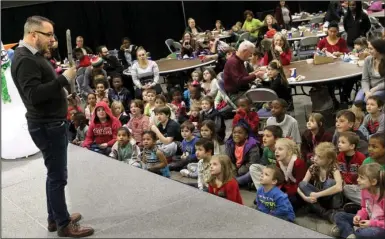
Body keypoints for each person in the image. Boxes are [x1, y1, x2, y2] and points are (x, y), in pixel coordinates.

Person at [11, 16, 94, 237]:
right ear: (33, 34)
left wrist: (61, 87)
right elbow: (34, 95)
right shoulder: (25, 59)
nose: (52, 40)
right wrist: (63, 79)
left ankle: (54, 217)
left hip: (48, 123)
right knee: (58, 177)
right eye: (48, 35)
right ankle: (64, 225)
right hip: (47, 125)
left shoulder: (31, 56)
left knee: (54, 174)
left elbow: (40, 87)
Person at [332, 163, 385, 238]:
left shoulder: (383, 197)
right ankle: (350, 235)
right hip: (369, 220)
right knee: (339, 216)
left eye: (361, 178)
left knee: (366, 233)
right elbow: (364, 208)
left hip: (380, 227)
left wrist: (371, 223)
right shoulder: (364, 191)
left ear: (373, 182)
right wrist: (359, 216)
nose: (357, 180)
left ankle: (346, 231)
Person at [298, 142, 343, 223]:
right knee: (302, 184)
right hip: (318, 199)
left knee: (331, 182)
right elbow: (300, 187)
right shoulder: (313, 167)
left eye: (319, 157)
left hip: (329, 199)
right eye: (315, 155)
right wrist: (305, 198)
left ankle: (328, 211)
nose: (315, 158)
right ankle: (325, 214)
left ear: (329, 160)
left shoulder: (333, 168)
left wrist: (318, 194)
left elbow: (339, 187)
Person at [337, 131, 365, 212]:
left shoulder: (361, 157)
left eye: (343, 142)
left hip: (357, 187)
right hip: (344, 186)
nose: (339, 144)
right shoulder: (339, 157)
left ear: (352, 146)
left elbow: (363, 175)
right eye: (339, 142)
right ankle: (362, 206)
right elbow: (338, 173)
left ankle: (368, 205)